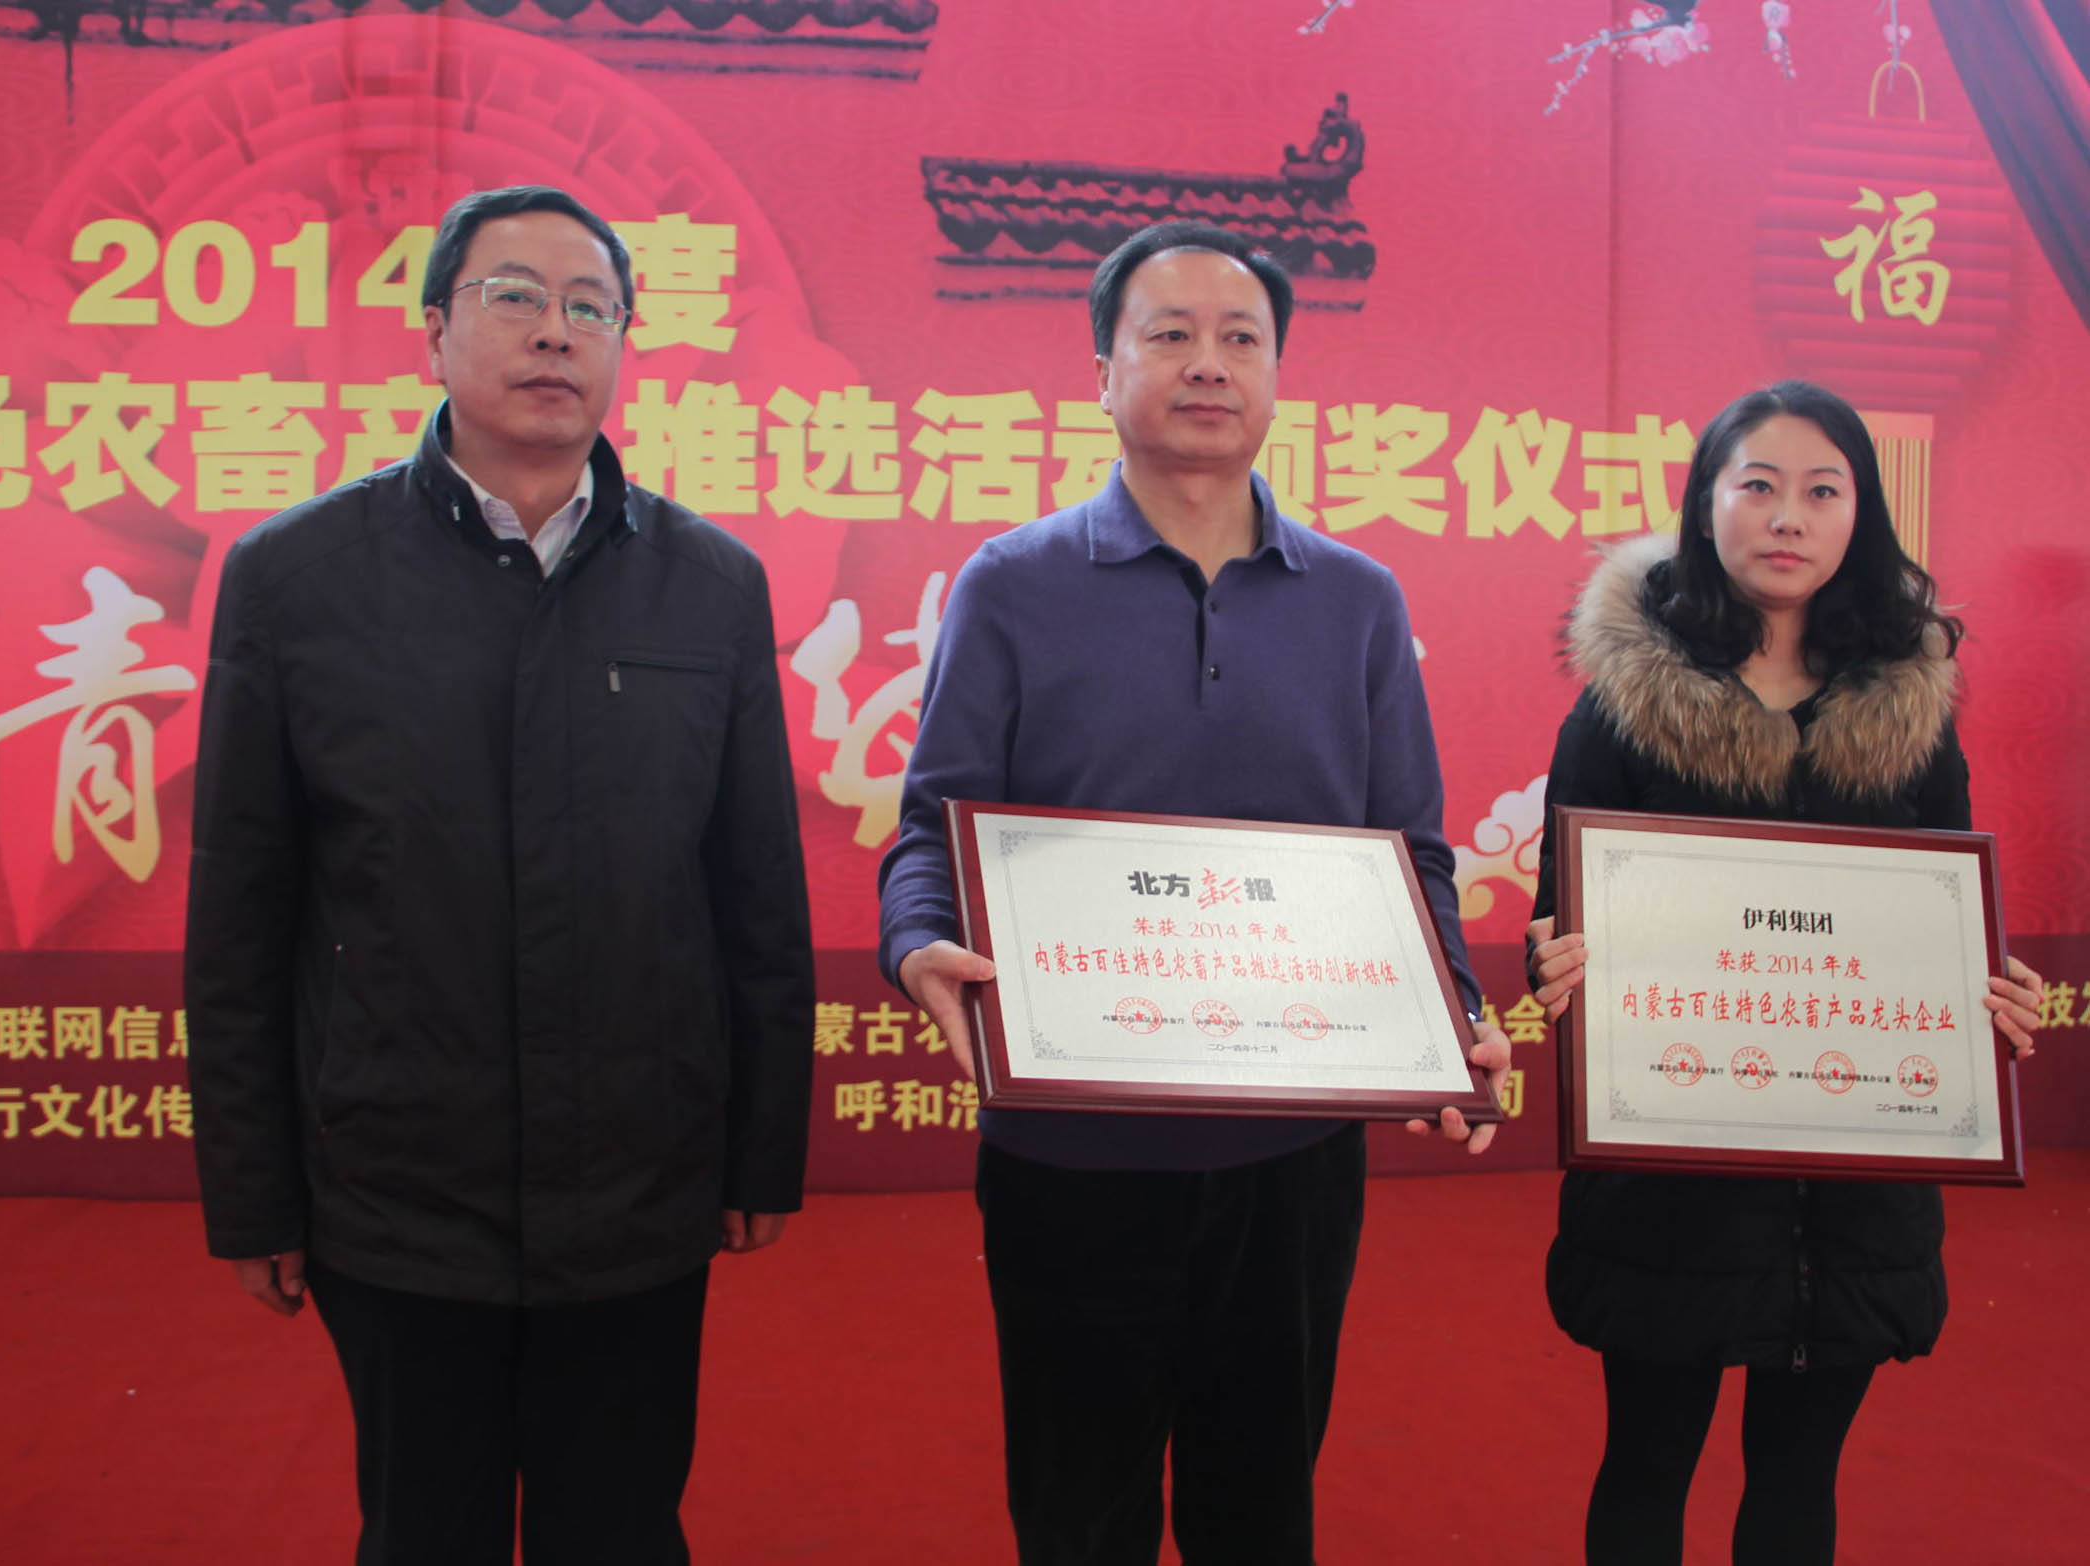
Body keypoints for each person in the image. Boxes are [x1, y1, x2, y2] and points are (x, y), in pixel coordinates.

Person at [185, 185, 815, 1566]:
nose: (555, 331)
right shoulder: (297, 578)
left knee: (621, 1529)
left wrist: (763, 1146)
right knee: (425, 1530)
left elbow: (756, 895)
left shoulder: (710, 584)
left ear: (625, 342)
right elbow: (242, 909)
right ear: (433, 332)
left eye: (591, 306)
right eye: (514, 296)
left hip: (640, 1181)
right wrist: (252, 1189)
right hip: (399, 1184)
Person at [877, 220, 1512, 1566]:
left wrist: (1450, 1012)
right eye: (1168, 334)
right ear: (1103, 373)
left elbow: (1410, 854)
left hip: (1290, 1154)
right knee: (1077, 1512)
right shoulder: (1012, 584)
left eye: (1240, 338)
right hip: (1073, 1148)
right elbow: (933, 825)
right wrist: (921, 941)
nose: (1207, 363)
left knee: (1260, 1511)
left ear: (1278, 375)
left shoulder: (1355, 600)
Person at [1523, 380, 2045, 1566]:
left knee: (1800, 1480)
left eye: (1823, 490)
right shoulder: (1620, 710)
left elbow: (1943, 924)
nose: (1788, 516)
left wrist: (1985, 994)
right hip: (1670, 1178)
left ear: (1863, 514)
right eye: (1757, 485)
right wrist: (1560, 963)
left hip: (1854, 1184)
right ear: (1706, 502)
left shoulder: (1912, 711)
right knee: (1647, 1465)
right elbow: (1564, 914)